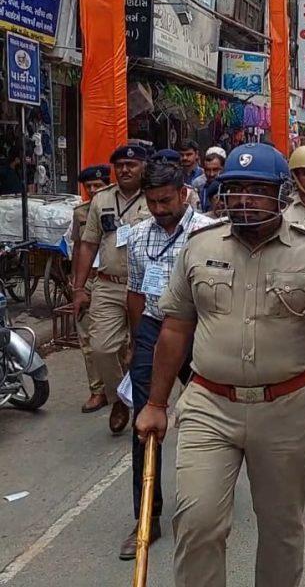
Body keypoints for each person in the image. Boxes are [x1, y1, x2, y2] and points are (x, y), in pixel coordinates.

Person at [134, 143, 305, 587]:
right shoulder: (199, 248)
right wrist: (156, 403)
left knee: (281, 529)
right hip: (208, 406)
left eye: (256, 190)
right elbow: (175, 330)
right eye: (234, 189)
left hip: (286, 407)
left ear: (281, 193)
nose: (243, 200)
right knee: (197, 522)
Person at [119, 158, 214, 560]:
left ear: (183, 193)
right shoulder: (138, 236)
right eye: (152, 202)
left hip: (203, 332)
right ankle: (146, 517)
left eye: (165, 201)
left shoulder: (210, 233)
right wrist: (138, 341)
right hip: (154, 331)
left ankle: (206, 507)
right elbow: (136, 293)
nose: (159, 209)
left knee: (208, 417)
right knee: (146, 423)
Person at [72, 144, 150, 435]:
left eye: (132, 164)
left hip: (145, 288)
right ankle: (118, 399)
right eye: (120, 165)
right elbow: (88, 243)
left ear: (144, 166)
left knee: (142, 350)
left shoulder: (155, 196)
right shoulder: (102, 199)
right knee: (102, 347)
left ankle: (145, 406)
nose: (126, 169)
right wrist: (79, 288)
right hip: (107, 284)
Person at [74, 165, 117, 413]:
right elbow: (79, 248)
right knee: (88, 339)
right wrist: (76, 286)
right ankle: (97, 390)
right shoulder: (79, 212)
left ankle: (120, 390)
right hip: (89, 278)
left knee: (118, 343)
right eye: (88, 186)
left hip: (114, 279)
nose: (92, 190)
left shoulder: (118, 208)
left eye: (97, 186)